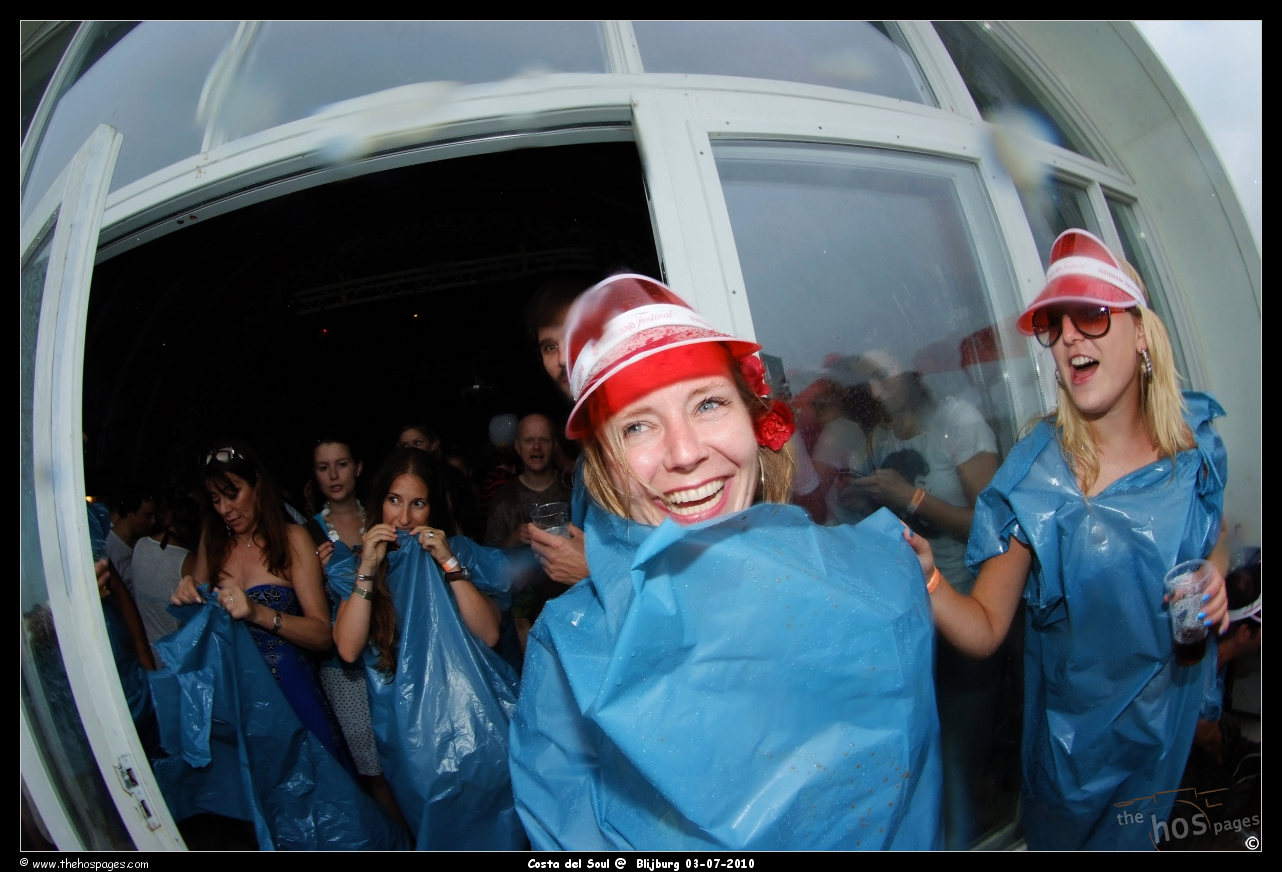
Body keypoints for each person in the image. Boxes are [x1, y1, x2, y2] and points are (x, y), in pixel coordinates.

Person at [508, 273, 942, 850]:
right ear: (605, 465)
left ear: (754, 419)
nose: (686, 453)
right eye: (637, 425)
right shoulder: (570, 657)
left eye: (708, 403)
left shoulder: (876, 582)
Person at [918, 229, 1231, 850]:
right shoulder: (1036, 478)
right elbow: (985, 628)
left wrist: (1214, 572)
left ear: (1141, 333)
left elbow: (1216, 530)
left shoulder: (1192, 444)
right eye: (1054, 324)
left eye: (1090, 313)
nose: (1068, 337)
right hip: (1077, 760)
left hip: (1170, 725)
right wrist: (927, 576)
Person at [159, 441, 408, 849]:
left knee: (327, 810)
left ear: (257, 485)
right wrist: (188, 594)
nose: (225, 509)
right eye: (216, 500)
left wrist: (258, 613)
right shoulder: (212, 543)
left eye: (233, 494)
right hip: (240, 704)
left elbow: (322, 634)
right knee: (263, 815)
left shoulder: (292, 540)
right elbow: (200, 633)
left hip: (294, 697)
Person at [330, 448, 525, 849]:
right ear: (378, 502)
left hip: (480, 727)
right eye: (394, 500)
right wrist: (367, 568)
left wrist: (449, 563)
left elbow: (489, 633)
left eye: (417, 503)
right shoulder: (355, 566)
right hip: (414, 746)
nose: (403, 518)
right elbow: (348, 649)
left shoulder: (455, 551)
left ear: (433, 508)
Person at [308, 436, 409, 834]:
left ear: (359, 467)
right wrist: (315, 575)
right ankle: (405, 842)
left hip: (393, 654)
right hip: (344, 669)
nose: (334, 475)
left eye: (342, 464)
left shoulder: (388, 515)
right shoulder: (308, 533)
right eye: (323, 467)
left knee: (409, 753)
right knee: (373, 769)